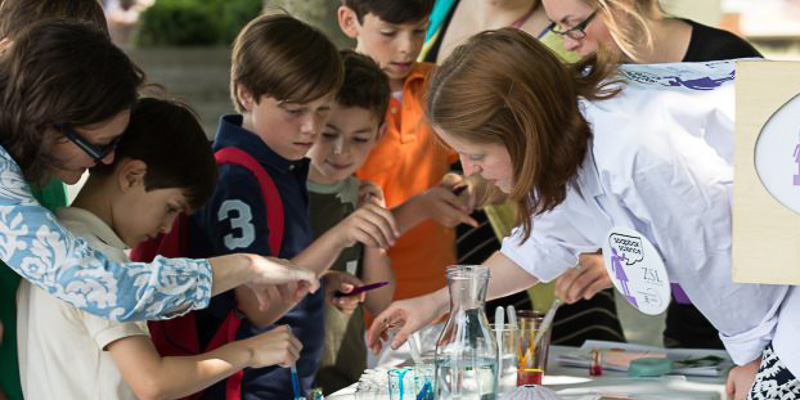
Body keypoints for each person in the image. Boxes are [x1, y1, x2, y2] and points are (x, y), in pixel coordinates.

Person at [366, 29, 796, 400]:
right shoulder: (571, 127)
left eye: (477, 153)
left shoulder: (635, 146)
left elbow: (714, 255)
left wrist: (753, 357)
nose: (469, 168)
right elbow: (539, 247)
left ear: (522, 132)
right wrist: (438, 302)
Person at [17, 97, 304, 400]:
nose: (167, 227)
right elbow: (153, 382)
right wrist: (250, 351)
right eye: (170, 208)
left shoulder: (55, 243)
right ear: (132, 176)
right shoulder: (99, 264)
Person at [186, 14, 398, 399]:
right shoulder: (237, 179)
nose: (310, 128)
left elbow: (283, 265)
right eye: (294, 110)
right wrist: (341, 235)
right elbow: (257, 306)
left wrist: (320, 281)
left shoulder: (281, 164)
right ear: (247, 94)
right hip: (245, 389)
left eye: (321, 110)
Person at [543, 0, 762, 350]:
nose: (569, 43)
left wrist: (635, 261)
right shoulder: (598, 80)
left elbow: (753, 208)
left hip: (759, 312)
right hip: (689, 314)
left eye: (574, 24)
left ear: (621, 5)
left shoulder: (729, 63)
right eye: (558, 28)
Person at [337, 0, 477, 366]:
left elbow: (464, 165)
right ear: (349, 20)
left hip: (436, 308)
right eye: (389, 33)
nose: (407, 47)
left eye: (420, 30)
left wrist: (468, 186)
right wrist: (420, 207)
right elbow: (335, 228)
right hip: (358, 320)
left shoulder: (441, 84)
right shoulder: (332, 102)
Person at [308, 50, 396, 394]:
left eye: (360, 139)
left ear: (380, 133)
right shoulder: (284, 192)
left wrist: (375, 238)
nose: (342, 151)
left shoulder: (362, 194)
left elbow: (379, 302)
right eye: (328, 134)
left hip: (346, 380)